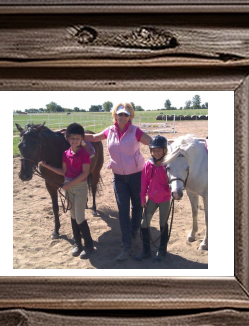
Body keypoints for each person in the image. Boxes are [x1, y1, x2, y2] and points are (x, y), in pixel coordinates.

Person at [83, 103, 152, 260]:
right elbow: (94, 137)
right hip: (118, 177)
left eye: (125, 115)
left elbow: (151, 142)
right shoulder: (110, 131)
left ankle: (134, 231)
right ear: (115, 115)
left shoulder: (135, 131)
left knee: (137, 206)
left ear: (130, 117)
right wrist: (76, 134)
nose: (122, 117)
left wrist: (165, 145)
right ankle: (126, 244)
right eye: (120, 114)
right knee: (122, 210)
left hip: (136, 174)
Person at [39, 123, 94, 259]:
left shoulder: (84, 154)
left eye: (77, 138)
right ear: (67, 139)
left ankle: (88, 245)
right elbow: (63, 171)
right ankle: (77, 244)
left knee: (80, 217)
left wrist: (68, 185)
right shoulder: (65, 154)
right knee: (73, 216)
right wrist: (48, 167)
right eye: (72, 138)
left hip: (79, 187)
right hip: (69, 187)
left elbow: (84, 174)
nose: (74, 140)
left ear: (82, 139)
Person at [134, 135, 171, 262]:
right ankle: (146, 251)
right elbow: (144, 182)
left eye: (159, 150)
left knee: (163, 225)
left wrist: (169, 190)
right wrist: (143, 198)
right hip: (152, 200)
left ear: (165, 151)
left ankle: (162, 251)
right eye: (154, 150)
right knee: (144, 224)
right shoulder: (148, 164)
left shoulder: (169, 166)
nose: (156, 153)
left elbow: (174, 181)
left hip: (165, 199)